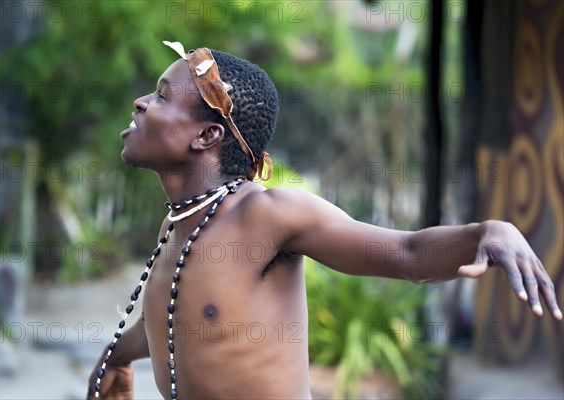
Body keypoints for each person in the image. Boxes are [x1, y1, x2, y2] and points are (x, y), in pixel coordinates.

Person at [87, 41, 562, 400]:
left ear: (207, 135)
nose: (141, 102)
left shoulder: (269, 216)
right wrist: (119, 354)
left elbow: (407, 253)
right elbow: (184, 320)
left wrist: (488, 232)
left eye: (162, 96)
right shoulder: (178, 225)